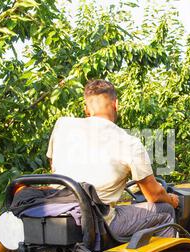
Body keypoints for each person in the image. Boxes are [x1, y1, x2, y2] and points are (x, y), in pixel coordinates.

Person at [46, 79, 179, 238]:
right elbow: (154, 195)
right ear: (116, 104)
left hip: (56, 213)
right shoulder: (129, 143)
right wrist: (171, 199)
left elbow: (53, 166)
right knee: (166, 211)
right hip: (97, 223)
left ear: (86, 109)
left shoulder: (63, 125)